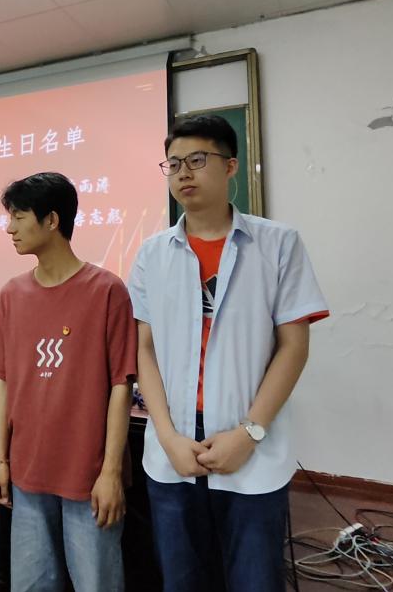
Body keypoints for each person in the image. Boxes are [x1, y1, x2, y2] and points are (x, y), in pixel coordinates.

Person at [128, 114, 329, 592]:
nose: (183, 173)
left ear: (231, 165)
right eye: (174, 163)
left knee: (254, 579)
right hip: (173, 448)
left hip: (250, 444)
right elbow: (143, 350)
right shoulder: (152, 254)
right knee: (182, 579)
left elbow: (293, 347)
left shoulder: (277, 244)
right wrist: (167, 437)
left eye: (198, 160)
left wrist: (249, 432)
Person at [0, 172, 137, 592]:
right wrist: (1, 461)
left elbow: (121, 386)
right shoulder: (11, 295)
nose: (10, 228)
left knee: (97, 584)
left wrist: (110, 472)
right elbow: (0, 380)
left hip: (88, 477)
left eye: (19, 217)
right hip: (27, 475)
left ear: (52, 220)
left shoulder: (107, 291)